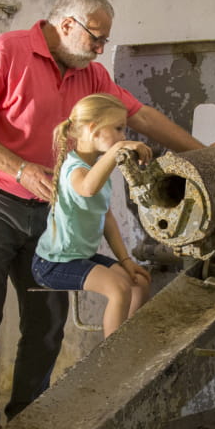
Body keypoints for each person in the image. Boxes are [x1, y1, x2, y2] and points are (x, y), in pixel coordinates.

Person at [0, 0, 203, 429]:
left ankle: (28, 417)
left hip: (49, 207)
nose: (102, 49)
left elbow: (140, 117)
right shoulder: (2, 53)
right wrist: (20, 169)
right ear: (67, 26)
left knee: (46, 320)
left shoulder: (92, 74)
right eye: (96, 38)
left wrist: (203, 156)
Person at [32, 94, 152, 337]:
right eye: (118, 129)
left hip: (80, 257)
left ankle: (124, 341)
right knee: (118, 289)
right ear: (93, 129)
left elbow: (106, 218)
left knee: (138, 282)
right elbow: (86, 188)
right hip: (54, 263)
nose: (123, 137)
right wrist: (117, 150)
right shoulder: (75, 168)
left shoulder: (96, 167)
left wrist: (126, 261)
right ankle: (112, 361)